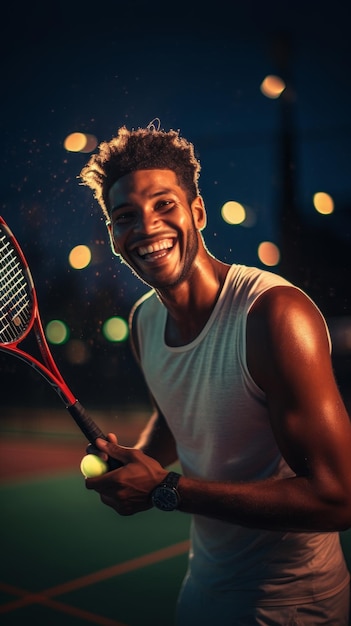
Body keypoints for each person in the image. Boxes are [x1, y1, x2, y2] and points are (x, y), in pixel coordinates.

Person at [79, 122, 351, 625]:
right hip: (203, 591)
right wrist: (133, 462)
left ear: (197, 211)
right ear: (114, 238)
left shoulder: (273, 316)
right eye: (125, 216)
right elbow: (176, 417)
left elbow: (337, 498)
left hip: (293, 607)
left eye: (165, 204)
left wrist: (167, 490)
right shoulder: (144, 319)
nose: (147, 226)